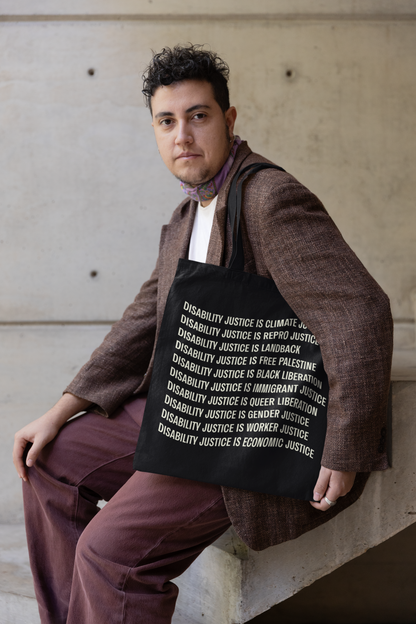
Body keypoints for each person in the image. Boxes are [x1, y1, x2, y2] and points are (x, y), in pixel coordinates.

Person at [13, 44, 393, 624]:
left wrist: (346, 448)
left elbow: (359, 312)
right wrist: (61, 410)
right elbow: (145, 317)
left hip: (243, 429)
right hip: (189, 410)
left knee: (110, 553)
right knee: (48, 461)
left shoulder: (267, 198)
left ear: (229, 120)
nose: (182, 135)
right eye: (167, 121)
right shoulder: (188, 216)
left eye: (199, 116)